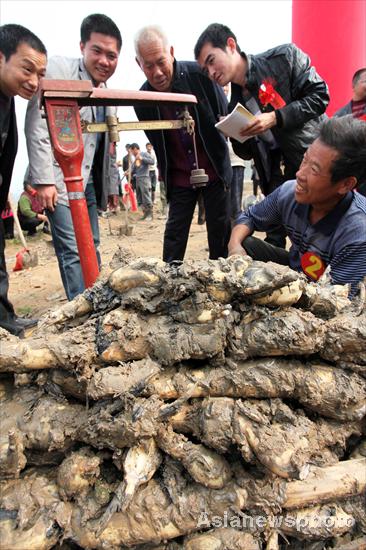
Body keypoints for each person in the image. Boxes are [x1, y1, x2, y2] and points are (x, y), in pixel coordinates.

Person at [194, 23, 329, 247]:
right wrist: (234, 131)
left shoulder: (284, 58)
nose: (211, 72)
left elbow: (320, 96)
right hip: (274, 179)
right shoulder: (234, 105)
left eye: (211, 61)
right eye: (205, 70)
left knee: (314, 240)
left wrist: (276, 117)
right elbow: (246, 154)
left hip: (311, 163)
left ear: (230, 45)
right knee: (272, 242)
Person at [25, 13, 121, 300]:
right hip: (58, 181)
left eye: (112, 55)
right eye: (97, 51)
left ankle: (101, 301)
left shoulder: (107, 95)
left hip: (88, 181)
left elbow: (109, 148)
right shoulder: (58, 70)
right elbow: (36, 124)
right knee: (72, 249)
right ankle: (81, 309)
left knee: (92, 243)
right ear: (82, 46)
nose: (105, 61)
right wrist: (44, 181)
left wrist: (112, 187)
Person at [227, 116, 366, 298]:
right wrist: (234, 248)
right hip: (297, 270)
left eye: (314, 169)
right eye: (305, 160)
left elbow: (335, 299)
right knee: (245, 243)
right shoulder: (290, 192)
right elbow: (250, 218)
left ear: (345, 185)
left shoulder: (357, 233)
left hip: (326, 293)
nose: (300, 174)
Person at [134, 25, 232, 263]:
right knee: (174, 236)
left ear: (171, 52)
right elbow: (156, 141)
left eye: (161, 61)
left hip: (214, 171)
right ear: (139, 64)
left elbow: (223, 118)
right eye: (149, 65)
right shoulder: (143, 100)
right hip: (179, 177)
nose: (157, 72)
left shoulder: (201, 77)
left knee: (220, 236)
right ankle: (169, 285)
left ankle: (221, 286)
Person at [0, 23, 47, 336]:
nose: (34, 81)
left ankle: (4, 319)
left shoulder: (8, 100)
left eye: (39, 75)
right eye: (27, 69)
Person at [130, 143, 154, 220]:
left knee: (146, 196)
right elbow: (133, 169)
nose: (132, 153)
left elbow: (152, 161)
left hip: (144, 178)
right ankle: (145, 214)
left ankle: (150, 215)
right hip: (137, 179)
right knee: (140, 198)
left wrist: (142, 158)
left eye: (132, 151)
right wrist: (129, 172)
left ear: (135, 149)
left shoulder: (144, 154)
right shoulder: (135, 159)